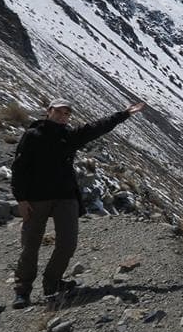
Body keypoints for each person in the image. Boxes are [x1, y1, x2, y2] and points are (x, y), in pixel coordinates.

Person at [10, 99, 145, 308]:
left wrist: (124, 114)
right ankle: (22, 290)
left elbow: (97, 127)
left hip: (66, 196)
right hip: (37, 198)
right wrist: (21, 199)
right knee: (31, 244)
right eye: (59, 112)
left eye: (66, 114)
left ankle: (52, 283)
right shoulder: (33, 135)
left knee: (68, 244)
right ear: (49, 111)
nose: (62, 116)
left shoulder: (69, 136)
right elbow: (19, 168)